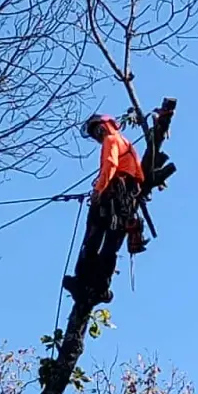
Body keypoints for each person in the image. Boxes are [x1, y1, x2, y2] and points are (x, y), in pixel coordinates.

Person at [63, 114, 146, 304]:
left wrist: (99, 190)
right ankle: (101, 286)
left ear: (103, 126)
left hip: (112, 196)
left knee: (93, 238)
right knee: (111, 244)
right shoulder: (126, 143)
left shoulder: (112, 140)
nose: (97, 136)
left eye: (96, 131)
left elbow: (110, 164)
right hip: (125, 201)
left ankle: (83, 282)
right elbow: (139, 175)